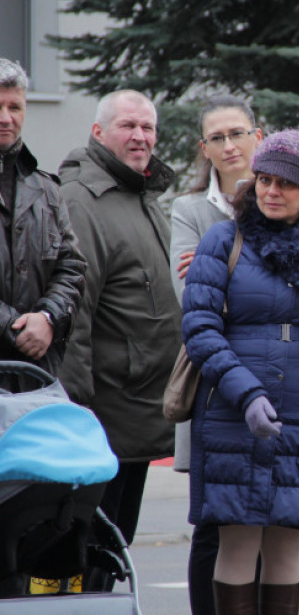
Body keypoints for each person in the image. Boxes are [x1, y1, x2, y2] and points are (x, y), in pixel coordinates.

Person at [181, 129, 299, 615]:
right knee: (238, 542)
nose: (270, 190)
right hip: (232, 405)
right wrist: (245, 395)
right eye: (264, 179)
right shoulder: (225, 236)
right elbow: (200, 329)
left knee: (288, 545)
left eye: (285, 184)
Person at [58, 89, 181, 592]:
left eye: (148, 127)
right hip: (103, 412)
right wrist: (78, 410)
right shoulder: (84, 200)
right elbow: (77, 311)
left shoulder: (140, 194)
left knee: (112, 550)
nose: (141, 137)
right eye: (128, 126)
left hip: (139, 409)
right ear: (98, 133)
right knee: (87, 551)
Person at [170, 94, 261, 615]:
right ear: (204, 148)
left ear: (258, 135)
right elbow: (192, 304)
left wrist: (219, 272)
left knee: (272, 523)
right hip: (212, 385)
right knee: (214, 523)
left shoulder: (285, 197)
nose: (230, 146)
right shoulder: (188, 210)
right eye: (218, 138)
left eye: (238, 133)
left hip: (277, 381)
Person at [0, 58, 85, 388]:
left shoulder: (47, 190)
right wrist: (15, 326)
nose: (6, 118)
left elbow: (71, 266)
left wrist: (48, 318)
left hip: (36, 378)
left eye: (15, 107)